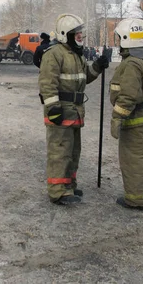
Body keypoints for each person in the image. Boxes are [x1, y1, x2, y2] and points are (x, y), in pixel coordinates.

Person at [38, 13, 109, 205]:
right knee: (59, 152)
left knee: (73, 151)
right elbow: (47, 83)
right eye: (76, 33)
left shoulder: (75, 55)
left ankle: (69, 185)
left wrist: (98, 66)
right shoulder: (54, 54)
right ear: (65, 34)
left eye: (80, 33)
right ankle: (58, 192)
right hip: (60, 112)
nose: (80, 36)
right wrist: (53, 108)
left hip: (75, 112)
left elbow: (85, 77)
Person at [109, 19, 143, 210]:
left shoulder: (132, 63)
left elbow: (128, 95)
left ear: (126, 38)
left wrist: (117, 117)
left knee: (134, 159)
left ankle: (136, 199)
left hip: (137, 118)